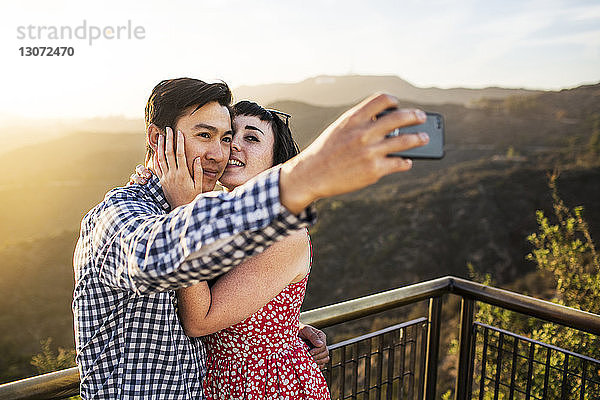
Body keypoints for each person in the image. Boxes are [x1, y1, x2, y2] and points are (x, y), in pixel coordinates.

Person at [73, 77, 429, 399]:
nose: (222, 152)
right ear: (157, 138)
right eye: (204, 135)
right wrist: (306, 176)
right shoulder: (118, 216)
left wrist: (284, 332)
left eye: (227, 138)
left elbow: (217, 308)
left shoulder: (225, 220)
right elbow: (153, 255)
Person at [132, 100, 330, 398]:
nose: (233, 146)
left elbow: (201, 321)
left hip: (267, 385)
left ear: (277, 162)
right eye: (227, 137)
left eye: (251, 138)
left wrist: (182, 211)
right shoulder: (224, 217)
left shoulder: (283, 234)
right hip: (215, 380)